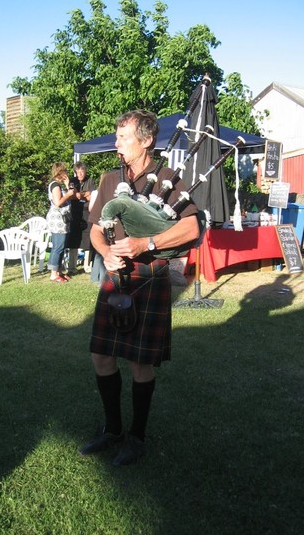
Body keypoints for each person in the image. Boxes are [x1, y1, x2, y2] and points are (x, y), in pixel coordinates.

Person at [80, 110, 200, 465]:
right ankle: (113, 429)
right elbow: (97, 229)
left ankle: (137, 436)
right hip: (115, 277)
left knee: (139, 361)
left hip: (149, 276)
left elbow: (192, 229)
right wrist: (105, 253)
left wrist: (144, 243)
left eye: (123, 138)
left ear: (146, 141)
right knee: (101, 355)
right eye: (116, 138)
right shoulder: (107, 179)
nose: (116, 145)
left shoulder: (168, 179)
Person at [46, 162, 76, 283]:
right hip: (57, 219)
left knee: (62, 246)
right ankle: (53, 274)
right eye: (64, 171)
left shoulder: (60, 185)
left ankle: (59, 271)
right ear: (60, 172)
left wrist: (68, 184)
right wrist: (68, 194)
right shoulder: (55, 185)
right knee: (58, 246)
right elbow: (58, 202)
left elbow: (72, 194)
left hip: (63, 219)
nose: (66, 173)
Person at [66, 162, 97, 275]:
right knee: (74, 239)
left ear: (85, 171)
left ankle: (87, 266)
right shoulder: (72, 181)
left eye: (81, 172)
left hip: (87, 213)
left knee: (87, 239)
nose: (79, 174)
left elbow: (92, 195)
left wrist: (81, 195)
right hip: (75, 214)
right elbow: (71, 195)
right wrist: (83, 195)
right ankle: (72, 267)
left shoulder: (90, 180)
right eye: (77, 172)